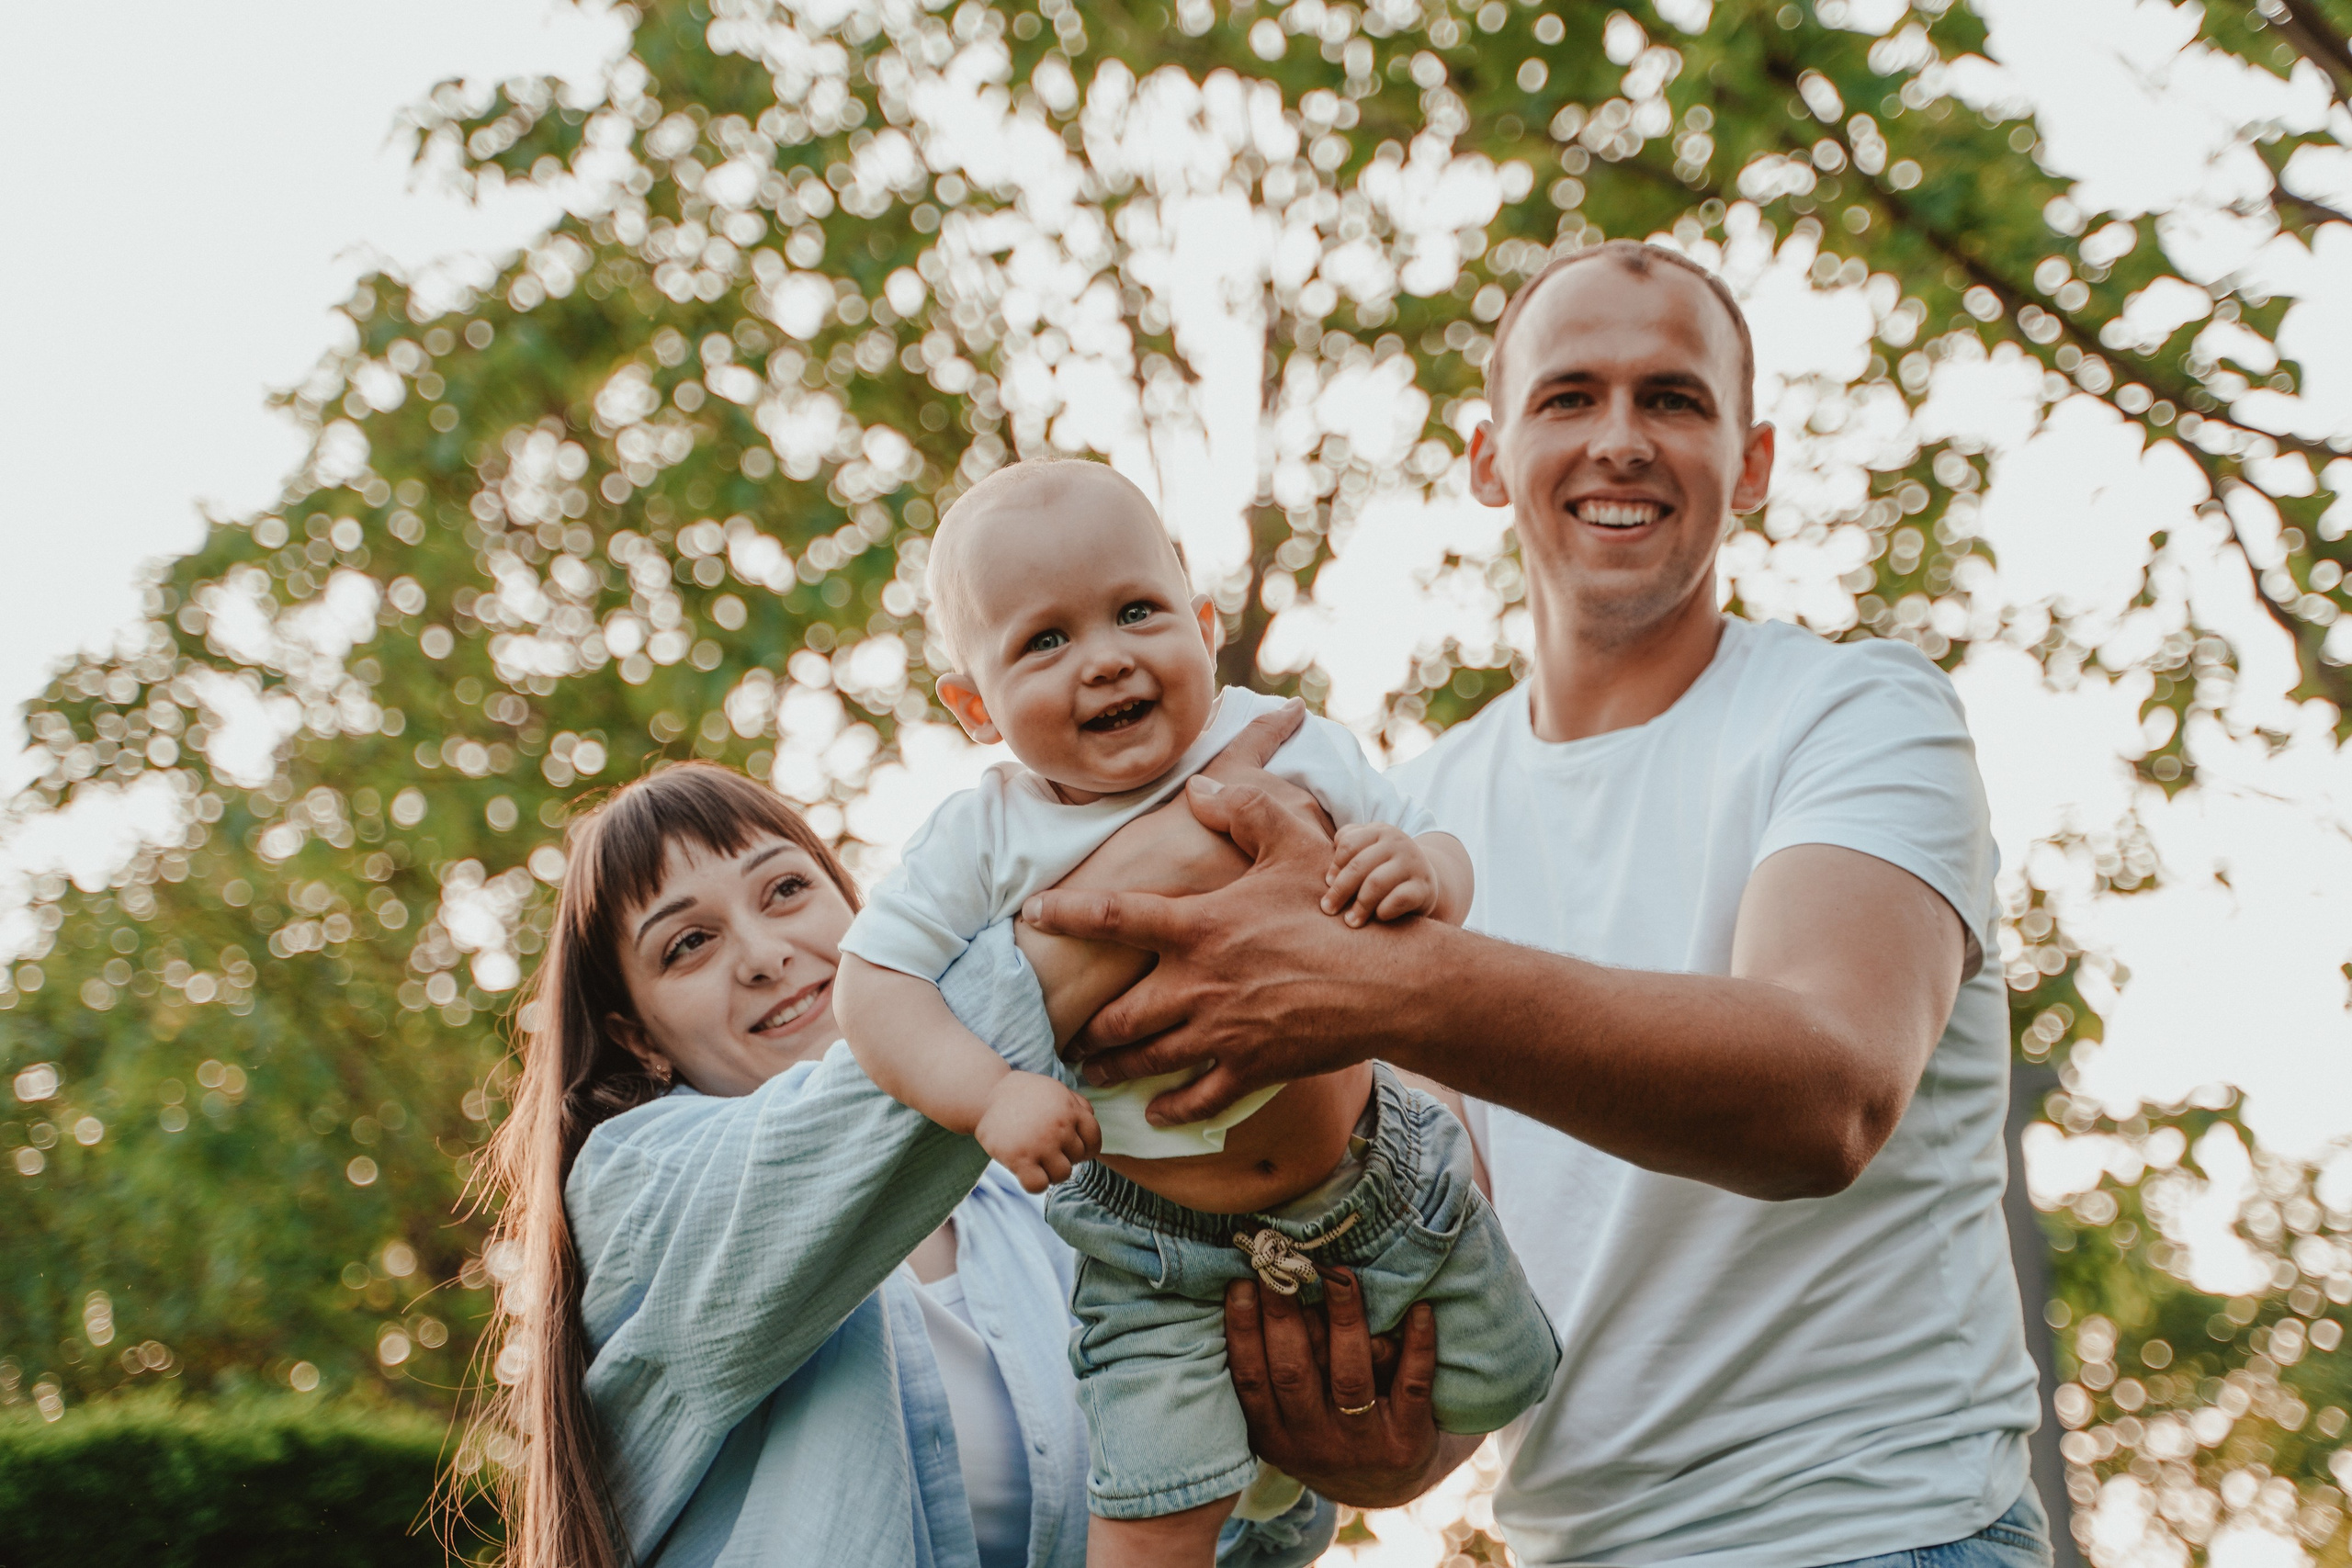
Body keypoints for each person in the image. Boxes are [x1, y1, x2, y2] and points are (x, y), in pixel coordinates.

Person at [1023, 241, 2055, 1567]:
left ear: (1752, 463)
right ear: (1488, 458)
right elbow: (1453, 1241)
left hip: (1878, 1531)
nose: (1620, 438)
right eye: (1569, 397)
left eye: (1673, 400)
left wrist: (1383, 985)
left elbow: (1829, 1091)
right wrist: (1392, 1439)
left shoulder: (1859, 710)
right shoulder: (1414, 807)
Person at [831, 458, 1558, 1565]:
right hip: (1153, 1249)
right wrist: (989, 1094)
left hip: (1379, 1180)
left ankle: (1277, 1469)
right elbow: (871, 988)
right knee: (1148, 1515)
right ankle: (1232, 1473)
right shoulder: (984, 836)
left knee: (1511, 1378)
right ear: (974, 705)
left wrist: (1413, 869)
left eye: (1136, 612)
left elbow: (1442, 854)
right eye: (1045, 641)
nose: (1107, 657)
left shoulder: (1278, 740)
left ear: (1202, 623)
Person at [462, 759, 1357, 1568]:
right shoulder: (640, 1187)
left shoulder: (1055, 1202)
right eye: (687, 944)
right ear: (636, 1036)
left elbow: (1227, 1526)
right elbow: (852, 1119)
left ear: (859, 909)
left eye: (782, 891)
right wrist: (1189, 829)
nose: (764, 955)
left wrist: (1303, 1451)